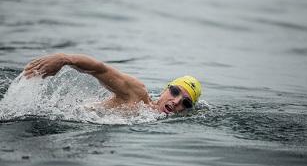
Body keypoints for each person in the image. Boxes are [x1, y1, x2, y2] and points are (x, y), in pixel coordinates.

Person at [23, 53, 202, 114]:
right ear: (165, 88)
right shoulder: (137, 94)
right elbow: (100, 69)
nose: (177, 101)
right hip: (56, 113)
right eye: (175, 91)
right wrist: (64, 59)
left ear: (187, 111)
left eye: (186, 103)